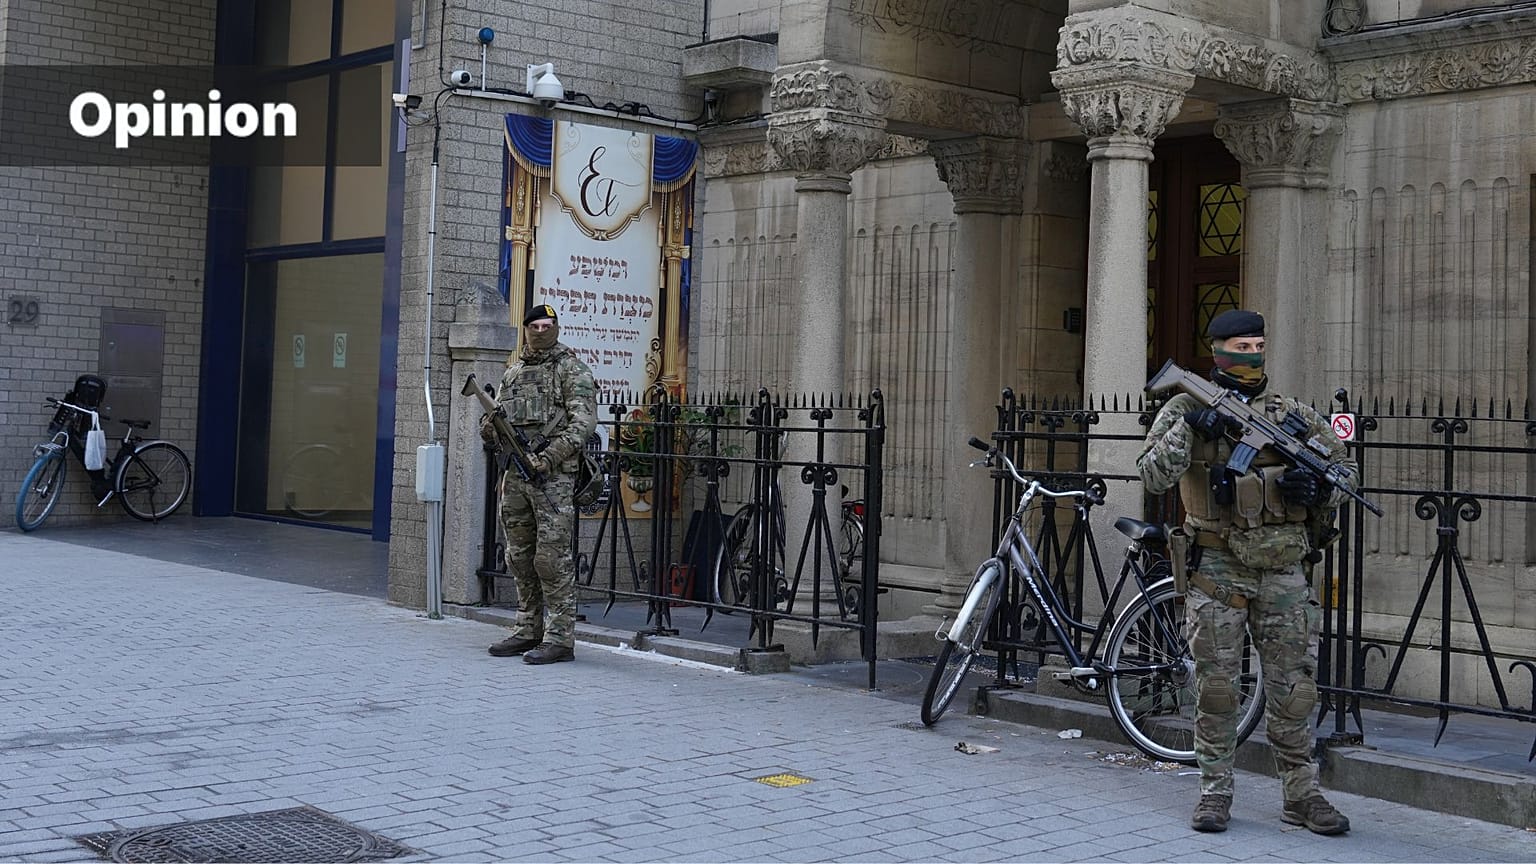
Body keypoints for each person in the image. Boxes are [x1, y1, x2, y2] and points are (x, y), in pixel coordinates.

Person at [1137, 309, 1358, 836]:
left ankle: (1302, 795)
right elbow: (1153, 476)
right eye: (1241, 345)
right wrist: (1189, 428)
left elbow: (1344, 469)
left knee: (1294, 689)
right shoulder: (1184, 405)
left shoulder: (1292, 415)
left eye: (1258, 344)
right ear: (1216, 351)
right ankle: (1214, 792)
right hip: (1217, 567)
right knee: (1216, 689)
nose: (1252, 354)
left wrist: (1317, 489)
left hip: (1284, 570)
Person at [482, 304, 597, 665]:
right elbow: (497, 421)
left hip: (553, 479)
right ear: (526, 329)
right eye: (535, 325)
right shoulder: (514, 373)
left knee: (551, 558)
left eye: (548, 325)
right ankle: (527, 628)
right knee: (519, 556)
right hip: (516, 474)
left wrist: (548, 457)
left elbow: (583, 424)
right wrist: (490, 428)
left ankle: (560, 637)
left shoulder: (571, 369)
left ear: (557, 328)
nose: (542, 331)